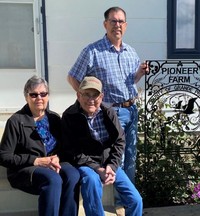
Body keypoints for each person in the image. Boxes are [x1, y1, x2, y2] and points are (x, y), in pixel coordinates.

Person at [67, 6, 148, 186]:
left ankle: (129, 200)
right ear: (105, 24)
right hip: (112, 112)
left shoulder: (131, 52)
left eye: (121, 21)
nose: (117, 25)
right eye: (113, 21)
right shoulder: (93, 51)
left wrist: (140, 74)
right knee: (118, 157)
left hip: (131, 109)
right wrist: (85, 100)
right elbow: (72, 76)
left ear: (125, 25)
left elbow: (130, 81)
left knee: (131, 157)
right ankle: (119, 203)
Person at [61, 76, 143, 216]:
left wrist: (112, 166)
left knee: (136, 200)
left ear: (102, 96)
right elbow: (72, 150)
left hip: (109, 164)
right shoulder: (70, 116)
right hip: (86, 164)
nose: (91, 99)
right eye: (87, 94)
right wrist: (97, 169)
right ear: (78, 95)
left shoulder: (108, 112)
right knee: (91, 181)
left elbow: (120, 140)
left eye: (95, 95)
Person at [0, 75, 80, 216]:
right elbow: (4, 156)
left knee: (73, 175)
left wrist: (57, 157)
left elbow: (65, 148)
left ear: (48, 96)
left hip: (52, 164)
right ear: (26, 97)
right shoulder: (16, 121)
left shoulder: (54, 118)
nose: (39, 98)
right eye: (34, 95)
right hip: (25, 169)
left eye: (43, 94)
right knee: (53, 178)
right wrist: (35, 160)